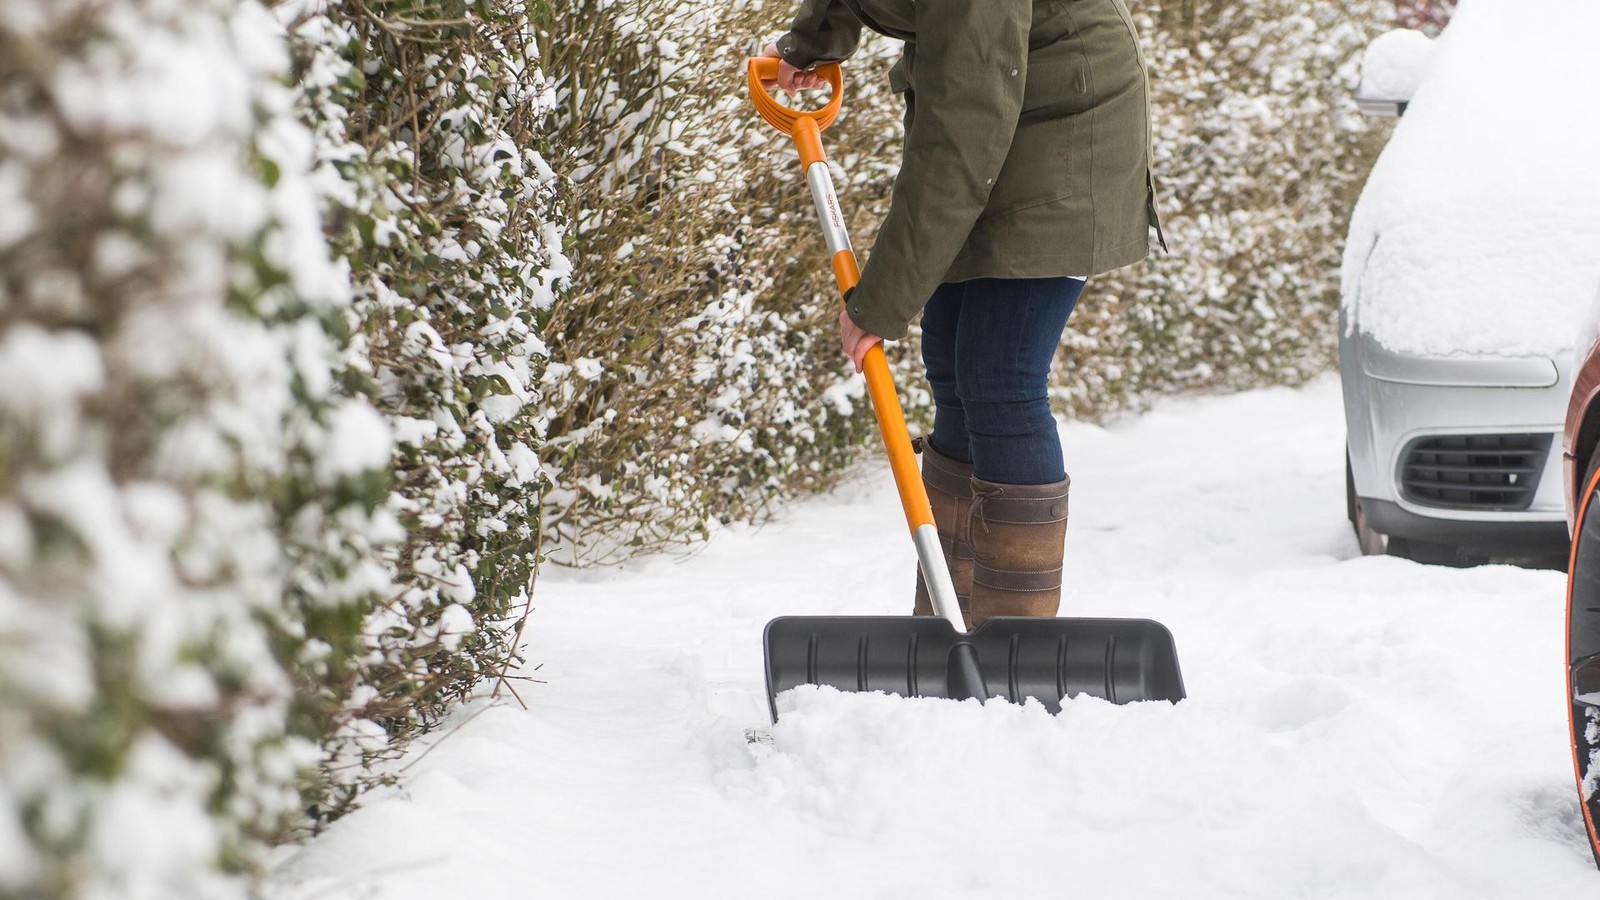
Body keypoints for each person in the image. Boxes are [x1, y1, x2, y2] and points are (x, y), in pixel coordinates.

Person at [761, 0, 1163, 627]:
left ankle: (1016, 642)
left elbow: (961, 131)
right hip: (1002, 108)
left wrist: (883, 300)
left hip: (1065, 127)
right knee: (951, 364)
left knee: (999, 377)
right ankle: (952, 621)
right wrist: (814, 41)